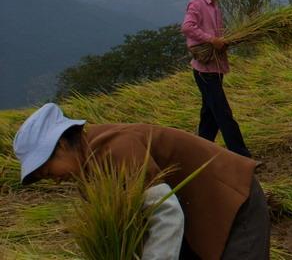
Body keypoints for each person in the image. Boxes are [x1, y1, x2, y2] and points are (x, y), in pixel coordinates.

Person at [13, 103, 270, 260]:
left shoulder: (115, 149)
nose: (56, 182)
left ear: (61, 144)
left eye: (49, 172)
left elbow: (166, 216)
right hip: (197, 215)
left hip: (231, 201)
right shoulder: (90, 176)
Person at [182, 0, 250, 158]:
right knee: (223, 114)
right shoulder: (197, 3)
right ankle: (242, 157)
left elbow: (216, 33)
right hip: (205, 72)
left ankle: (199, 153)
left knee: (209, 116)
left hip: (215, 68)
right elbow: (187, 27)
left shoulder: (214, 6)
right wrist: (212, 40)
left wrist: (224, 40)